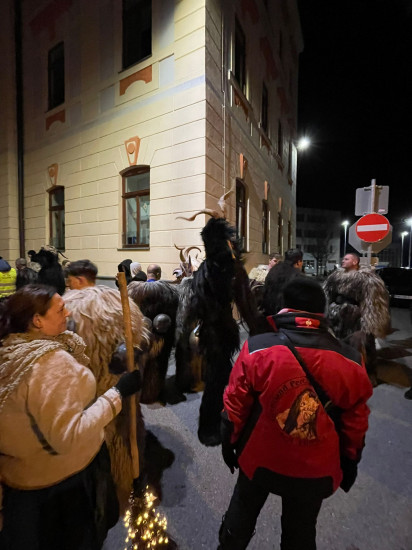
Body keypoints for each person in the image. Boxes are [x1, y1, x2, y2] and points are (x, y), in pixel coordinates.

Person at [218, 277, 373, 550]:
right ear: (321, 312)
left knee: (240, 517)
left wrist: (229, 443)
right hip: (316, 470)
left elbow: (235, 406)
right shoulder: (350, 359)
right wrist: (350, 462)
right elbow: (355, 423)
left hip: (260, 460)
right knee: (300, 532)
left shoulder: (258, 348)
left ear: (283, 307)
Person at [0, 284, 141, 550]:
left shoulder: (11, 350)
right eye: (60, 309)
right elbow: (69, 436)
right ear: (37, 320)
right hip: (61, 484)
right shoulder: (51, 364)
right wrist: (118, 393)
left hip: (22, 480)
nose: (68, 313)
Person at [64, 260, 151, 511]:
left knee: (95, 434)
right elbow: (140, 340)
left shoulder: (67, 308)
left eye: (70, 281)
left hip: (86, 390)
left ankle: (102, 492)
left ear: (79, 280)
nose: (68, 285)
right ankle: (129, 478)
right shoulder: (119, 303)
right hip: (123, 383)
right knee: (126, 426)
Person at [323, 252, 390, 384]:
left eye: (346, 259)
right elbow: (326, 294)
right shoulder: (335, 276)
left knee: (361, 346)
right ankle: (340, 374)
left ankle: (367, 375)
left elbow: (373, 301)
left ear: (355, 262)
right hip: (336, 316)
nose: (343, 260)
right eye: (343, 258)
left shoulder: (367, 279)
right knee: (337, 346)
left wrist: (369, 322)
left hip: (356, 317)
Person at [262, 248, 304, 317]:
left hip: (268, 313)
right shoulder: (296, 274)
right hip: (287, 316)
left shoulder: (274, 270)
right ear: (298, 262)